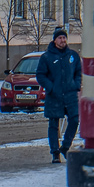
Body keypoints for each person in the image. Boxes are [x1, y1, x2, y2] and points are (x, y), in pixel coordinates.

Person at [36, 27, 81, 164]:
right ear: (54, 40)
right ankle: (55, 152)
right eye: (60, 38)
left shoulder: (72, 56)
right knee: (54, 124)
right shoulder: (47, 57)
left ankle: (65, 146)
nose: (63, 40)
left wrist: (76, 85)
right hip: (54, 95)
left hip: (70, 95)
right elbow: (40, 75)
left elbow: (78, 72)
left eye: (64, 38)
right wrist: (51, 87)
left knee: (74, 120)